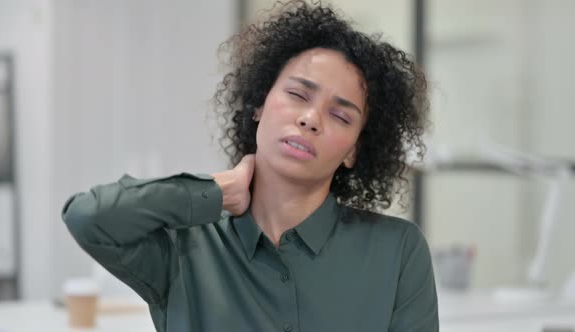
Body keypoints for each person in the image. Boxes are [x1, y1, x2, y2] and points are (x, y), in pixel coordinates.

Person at [62, 1, 438, 331]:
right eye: (296, 94)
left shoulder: (398, 251)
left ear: (354, 151)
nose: (311, 119)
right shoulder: (187, 246)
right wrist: (216, 190)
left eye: (340, 116)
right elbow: (88, 218)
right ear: (259, 105)